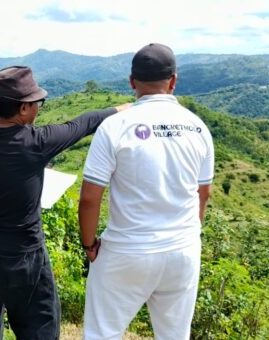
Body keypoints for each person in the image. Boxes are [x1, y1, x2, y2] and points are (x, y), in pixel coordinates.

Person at [0, 66, 130, 339]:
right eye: (38, 103)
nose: (39, 109)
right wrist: (124, 109)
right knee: (40, 329)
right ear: (24, 109)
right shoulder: (35, 143)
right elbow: (82, 124)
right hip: (22, 257)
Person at [78, 43, 214, 339]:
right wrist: (188, 234)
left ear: (132, 82)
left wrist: (89, 245)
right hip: (183, 251)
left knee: (103, 332)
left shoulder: (115, 126)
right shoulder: (198, 127)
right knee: (174, 334)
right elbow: (203, 194)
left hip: (126, 250)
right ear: (173, 81)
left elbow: (90, 197)